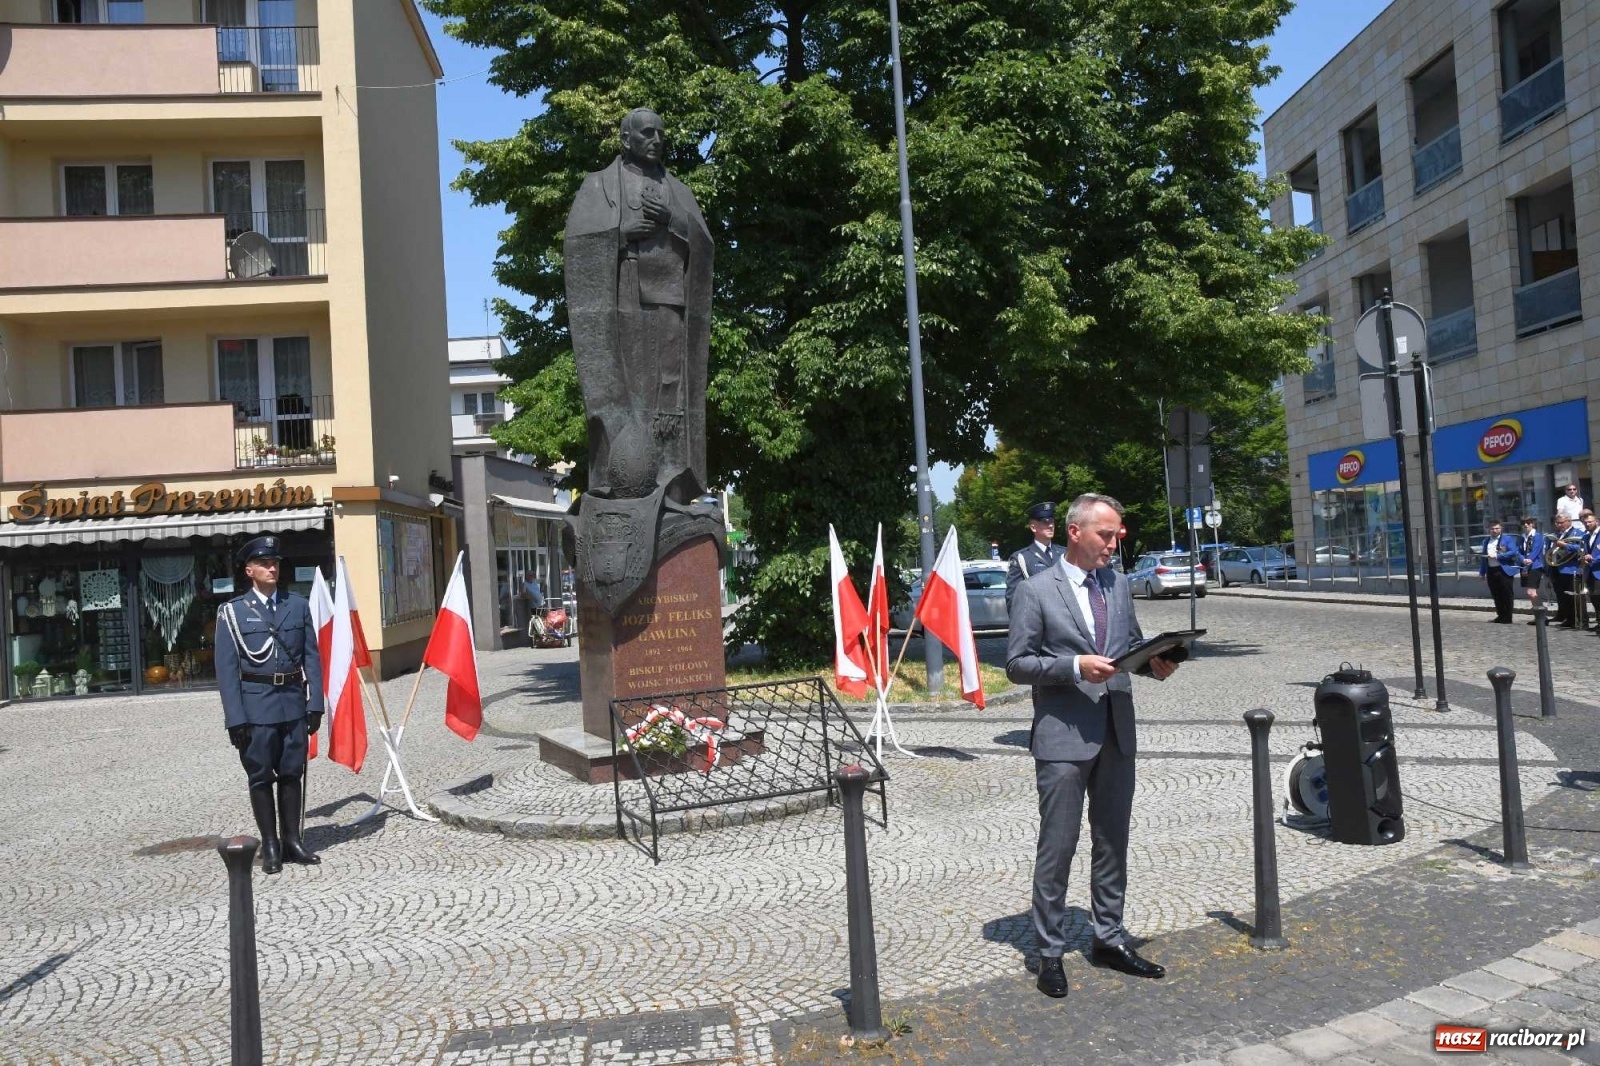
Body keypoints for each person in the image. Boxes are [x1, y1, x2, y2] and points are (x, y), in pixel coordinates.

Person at [1006, 493, 1179, 999]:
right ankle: (1049, 952)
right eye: (1106, 534)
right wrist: (1072, 666)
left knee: (1112, 843)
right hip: (1063, 736)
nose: (1114, 542)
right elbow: (1017, 664)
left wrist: (1156, 662)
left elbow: (1131, 648)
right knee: (1057, 848)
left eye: (1117, 534)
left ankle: (1108, 938)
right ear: (1075, 532)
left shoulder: (1119, 585)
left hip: (1116, 732)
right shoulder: (1036, 590)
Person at [215, 536, 324, 875]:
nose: (272, 567)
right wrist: (236, 718)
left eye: (275, 562)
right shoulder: (232, 613)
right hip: (256, 706)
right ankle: (271, 844)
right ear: (249, 570)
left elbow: (311, 657)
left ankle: (292, 840)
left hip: (292, 702)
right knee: (261, 777)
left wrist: (315, 702)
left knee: (292, 773)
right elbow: (227, 669)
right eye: (264, 563)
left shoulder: (297, 605)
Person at [1006, 501, 1066, 612]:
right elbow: (1014, 600)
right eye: (1045, 522)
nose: (1051, 525)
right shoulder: (1021, 558)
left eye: (1052, 521)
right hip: (1039, 621)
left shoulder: (1064, 554)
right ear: (1033, 527)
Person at [1478, 519, 1520, 624]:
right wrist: (1482, 572)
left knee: (1507, 594)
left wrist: (1498, 556)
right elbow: (1483, 558)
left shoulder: (1507, 539)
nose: (1494, 530)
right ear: (1489, 529)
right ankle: (1500, 615)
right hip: (1491, 570)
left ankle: (1508, 617)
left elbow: (1513, 552)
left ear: (1501, 529)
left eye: (1497, 528)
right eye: (1492, 528)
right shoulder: (1486, 541)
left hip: (1503, 570)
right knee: (1496, 594)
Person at [1548, 513, 1585, 629]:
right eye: (1557, 523)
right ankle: (1569, 619)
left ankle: (1580, 621)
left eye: (1562, 522)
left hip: (1571, 570)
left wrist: (1564, 545)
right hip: (1557, 569)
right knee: (1563, 597)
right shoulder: (1556, 535)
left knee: (1574, 598)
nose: (1559, 525)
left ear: (1569, 521)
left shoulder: (1577, 533)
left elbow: (1581, 548)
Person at [1518, 516, 1546, 625]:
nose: (1526, 525)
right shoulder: (1522, 537)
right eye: (1523, 523)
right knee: (1530, 593)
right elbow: (1518, 551)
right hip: (1525, 566)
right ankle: (1539, 616)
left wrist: (1528, 561)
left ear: (1532, 524)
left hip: (1535, 566)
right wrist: (1522, 560)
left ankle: (1541, 615)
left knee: (1531, 592)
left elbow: (1535, 551)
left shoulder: (1537, 536)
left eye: (1528, 523)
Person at [1581, 510, 1600, 631]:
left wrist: (1593, 558)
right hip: (1589, 571)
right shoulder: (1586, 536)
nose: (1587, 524)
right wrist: (1583, 558)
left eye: (1590, 522)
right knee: (1594, 598)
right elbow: (1583, 551)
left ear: (1596, 522)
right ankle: (1599, 622)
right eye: (1585, 522)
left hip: (1598, 571)